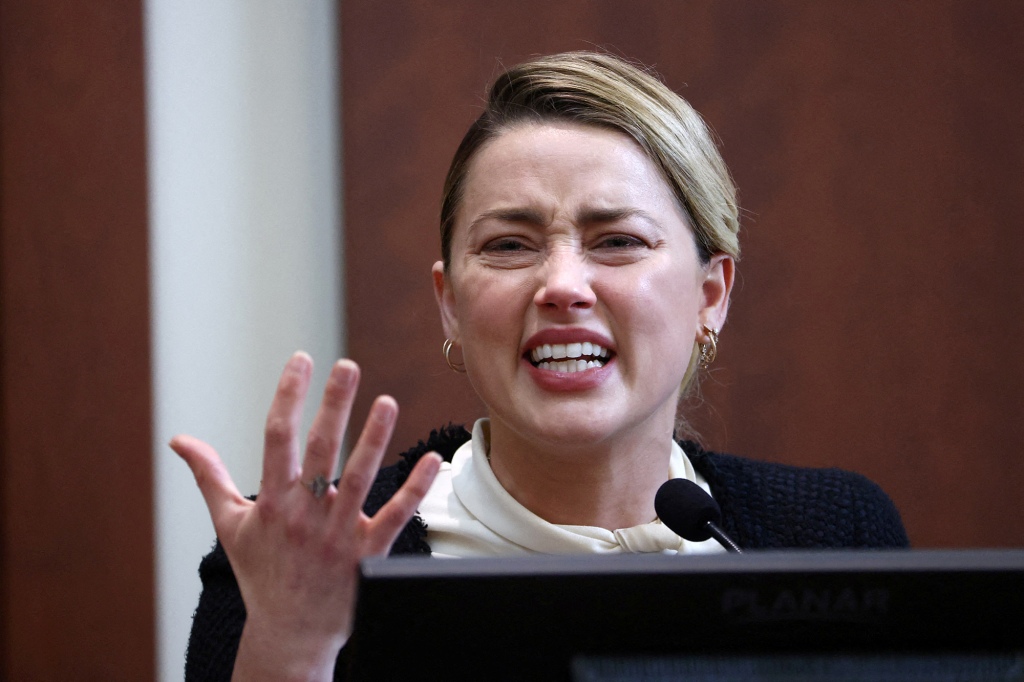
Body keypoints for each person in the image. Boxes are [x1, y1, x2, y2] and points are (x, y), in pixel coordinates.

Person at [174, 51, 908, 680]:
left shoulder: (833, 536)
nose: (561, 285)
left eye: (617, 240)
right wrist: (294, 649)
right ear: (451, 305)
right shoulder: (303, 559)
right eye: (508, 245)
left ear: (709, 296)